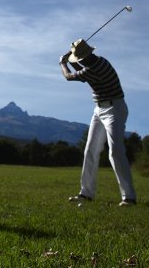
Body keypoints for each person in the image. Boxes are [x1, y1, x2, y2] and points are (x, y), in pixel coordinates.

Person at [60, 38, 137, 206]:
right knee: (90, 150)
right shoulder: (98, 61)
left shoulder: (95, 68)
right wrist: (71, 59)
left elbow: (69, 76)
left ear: (84, 57)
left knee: (115, 151)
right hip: (99, 109)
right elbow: (83, 71)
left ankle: (129, 197)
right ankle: (86, 193)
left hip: (114, 109)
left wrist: (62, 63)